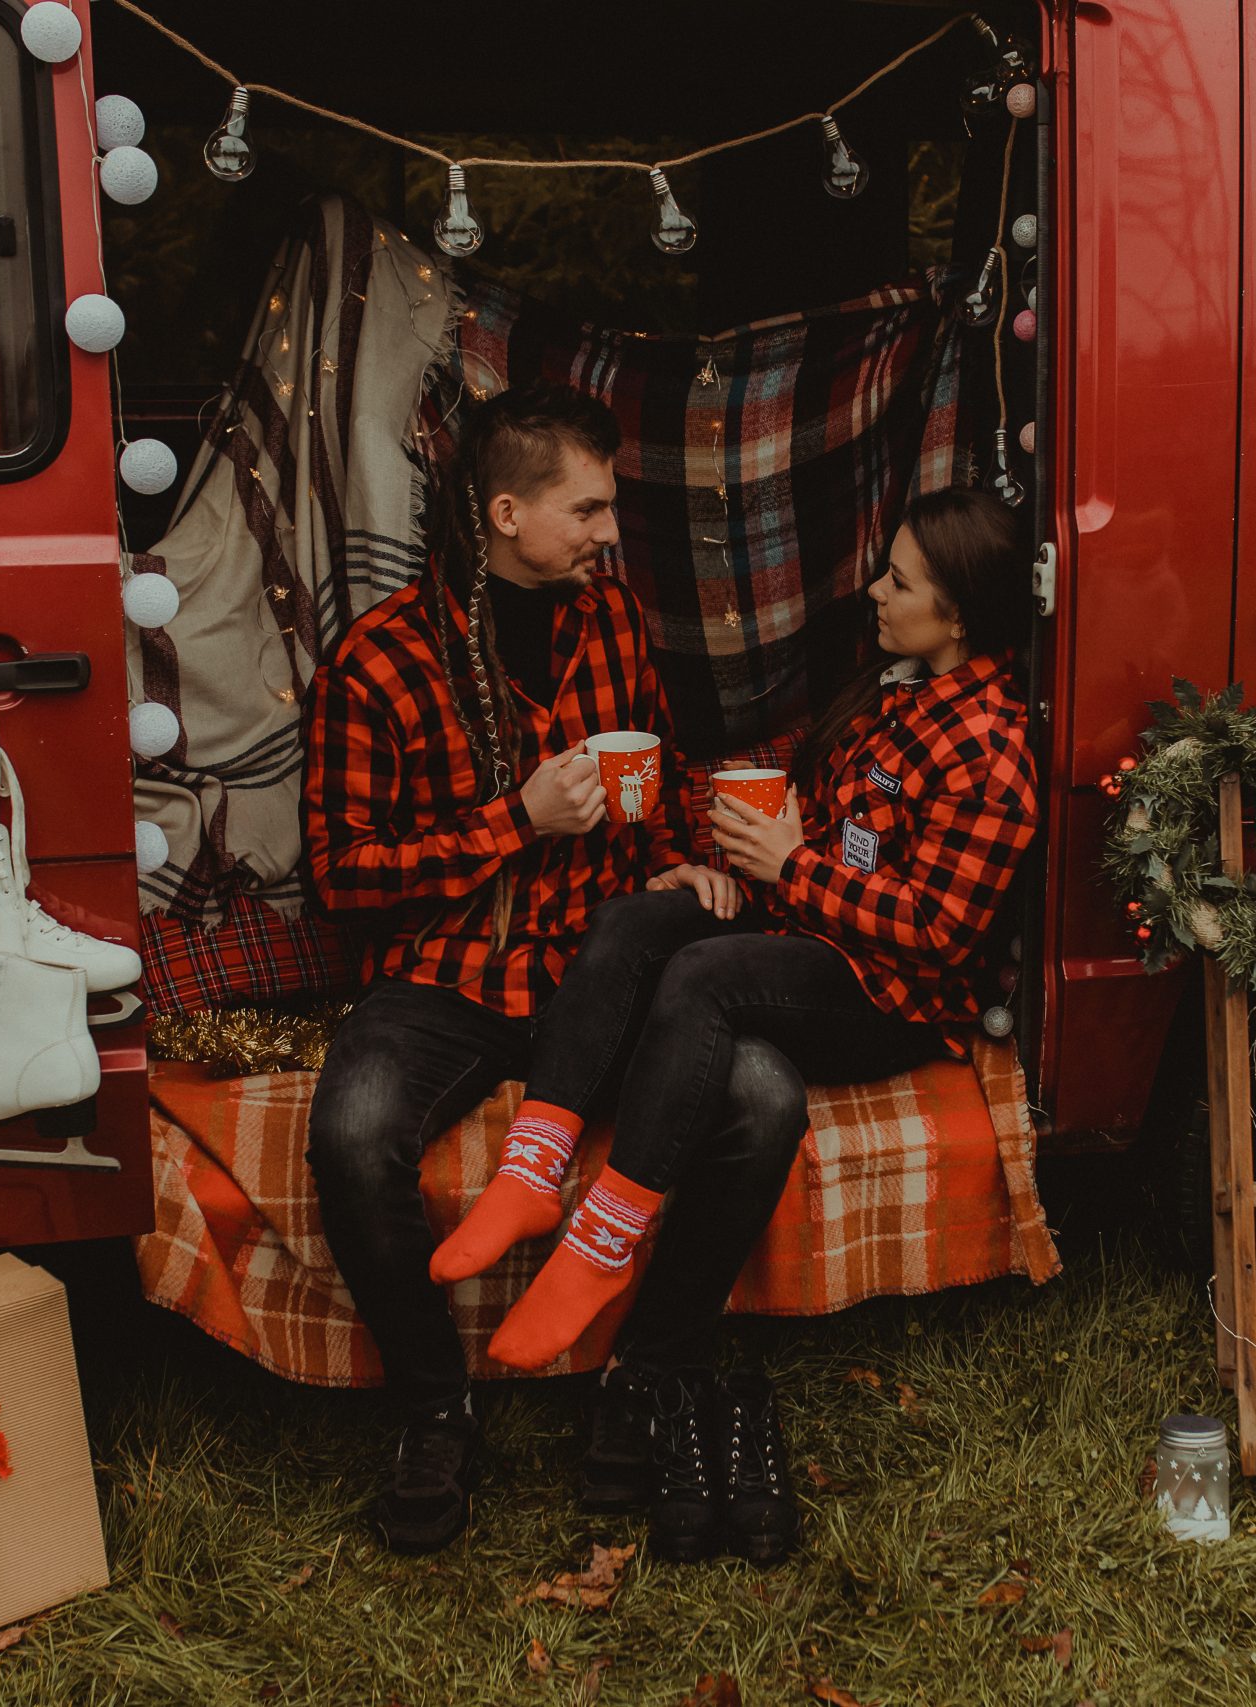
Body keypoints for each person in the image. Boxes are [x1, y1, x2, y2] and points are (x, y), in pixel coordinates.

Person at [431, 485, 1040, 1564]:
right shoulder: (896, 688)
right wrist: (709, 850)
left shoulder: (989, 749)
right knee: (633, 921)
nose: (875, 591)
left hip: (885, 996)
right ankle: (532, 1173)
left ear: (959, 615)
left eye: (901, 582)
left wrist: (791, 870)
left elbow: (938, 933)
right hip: (803, 926)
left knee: (707, 978)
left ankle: (601, 1247)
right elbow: (794, 783)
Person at [301, 382, 808, 1556]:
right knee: (351, 1130)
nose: (608, 531)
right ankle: (435, 1404)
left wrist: (688, 858)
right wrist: (512, 820)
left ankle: (647, 1375)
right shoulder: (378, 664)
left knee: (763, 1098)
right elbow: (341, 878)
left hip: (601, 963)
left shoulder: (612, 619)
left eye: (608, 507)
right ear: (504, 512)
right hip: (449, 973)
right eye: (585, 510)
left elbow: (667, 768)